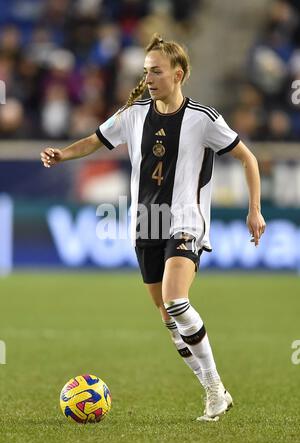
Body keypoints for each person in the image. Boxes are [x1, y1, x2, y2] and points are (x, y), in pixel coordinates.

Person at [41, 33, 266, 421]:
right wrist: (62, 154)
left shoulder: (204, 119)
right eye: (146, 71)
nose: (148, 78)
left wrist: (255, 210)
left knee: (176, 299)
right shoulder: (133, 114)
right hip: (145, 223)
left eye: (156, 71)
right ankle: (215, 390)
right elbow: (95, 140)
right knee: (168, 318)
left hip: (184, 222)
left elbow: (249, 159)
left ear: (178, 74)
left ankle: (214, 391)